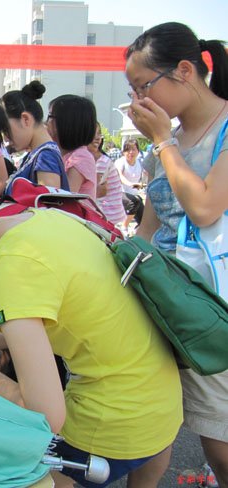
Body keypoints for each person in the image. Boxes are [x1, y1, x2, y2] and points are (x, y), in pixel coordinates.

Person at [0, 193, 182, 488]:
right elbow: (70, 316)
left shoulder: (11, 267)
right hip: (163, 402)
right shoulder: (37, 220)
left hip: (115, 418)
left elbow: (46, 417)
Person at [126, 22, 228, 487]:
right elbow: (150, 228)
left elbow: (204, 208)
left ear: (184, 71)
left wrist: (164, 140)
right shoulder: (160, 144)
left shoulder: (216, 131)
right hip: (165, 300)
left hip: (208, 308)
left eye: (143, 86)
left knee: (218, 442)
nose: (137, 101)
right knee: (153, 429)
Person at [0, 80, 69, 190]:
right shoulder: (39, 155)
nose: (6, 139)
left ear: (25, 119)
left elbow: (46, 200)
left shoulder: (45, 157)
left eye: (6, 130)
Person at [46, 95, 98, 198]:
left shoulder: (81, 157)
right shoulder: (65, 155)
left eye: (50, 116)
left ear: (67, 122)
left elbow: (62, 199)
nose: (47, 122)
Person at [89, 124, 125, 227]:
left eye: (99, 134)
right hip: (111, 214)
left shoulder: (101, 162)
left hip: (109, 217)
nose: (97, 137)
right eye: (93, 133)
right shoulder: (95, 159)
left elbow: (98, 191)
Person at [115, 139, 145, 233]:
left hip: (134, 194)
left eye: (134, 149)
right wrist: (130, 184)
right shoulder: (120, 162)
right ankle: (124, 227)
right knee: (134, 202)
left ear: (138, 151)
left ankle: (137, 232)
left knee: (144, 218)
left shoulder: (140, 163)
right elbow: (120, 176)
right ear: (123, 152)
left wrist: (142, 184)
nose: (131, 152)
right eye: (128, 150)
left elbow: (145, 176)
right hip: (119, 193)